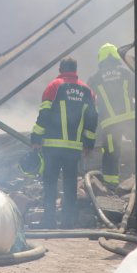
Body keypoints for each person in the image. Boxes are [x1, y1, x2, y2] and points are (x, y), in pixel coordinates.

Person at [31, 56, 98, 228]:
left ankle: (49, 221)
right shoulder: (86, 90)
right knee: (70, 186)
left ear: (60, 69)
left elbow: (44, 115)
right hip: (73, 148)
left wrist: (36, 138)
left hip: (52, 147)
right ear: (75, 71)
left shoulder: (54, 86)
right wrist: (89, 143)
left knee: (50, 183)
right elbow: (92, 119)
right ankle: (68, 222)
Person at [87, 43, 136, 186]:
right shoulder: (127, 73)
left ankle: (110, 187)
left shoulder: (95, 78)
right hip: (130, 119)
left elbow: (89, 102)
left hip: (109, 123)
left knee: (111, 154)